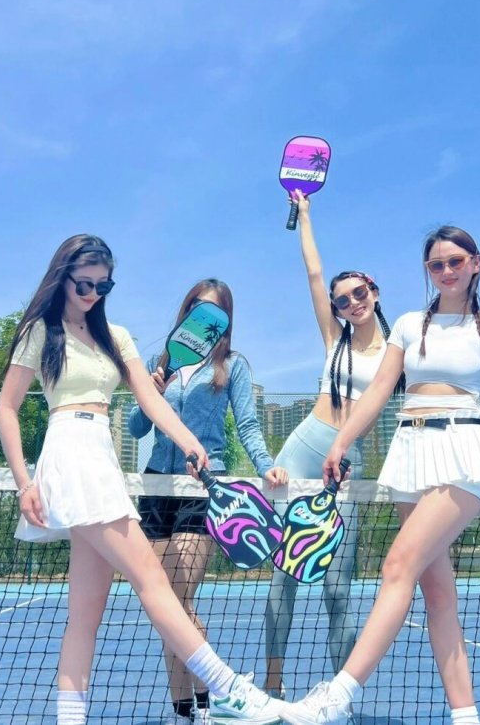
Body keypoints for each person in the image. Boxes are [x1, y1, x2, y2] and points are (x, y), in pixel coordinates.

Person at [279, 225, 480, 725]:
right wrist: (340, 441)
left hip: (464, 448)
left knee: (397, 564)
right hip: (410, 451)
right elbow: (380, 390)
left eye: (454, 261)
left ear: (475, 263)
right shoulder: (407, 324)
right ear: (427, 272)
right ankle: (465, 715)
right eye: (435, 264)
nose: (445, 270)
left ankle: (337, 694)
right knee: (437, 593)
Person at [0, 236, 282, 725]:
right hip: (68, 450)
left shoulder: (117, 337)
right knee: (151, 578)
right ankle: (230, 689)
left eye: (102, 284)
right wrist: (25, 483)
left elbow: (148, 404)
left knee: (86, 614)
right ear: (62, 275)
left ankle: (71, 718)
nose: (92, 291)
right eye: (84, 281)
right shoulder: (39, 335)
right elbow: (7, 409)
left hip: (101, 455)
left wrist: (189, 441)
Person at [127, 278, 289, 725]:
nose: (205, 317)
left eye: (215, 312)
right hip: (158, 487)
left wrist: (266, 465)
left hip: (204, 486)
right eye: (198, 307)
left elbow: (249, 426)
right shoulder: (158, 364)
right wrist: (151, 392)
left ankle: (217, 696)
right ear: (186, 311)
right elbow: (135, 429)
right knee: (163, 604)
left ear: (225, 322)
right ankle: (188, 708)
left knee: (177, 598)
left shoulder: (232, 366)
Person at [264, 191, 403, 699]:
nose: (351, 302)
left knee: (337, 588)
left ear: (376, 291)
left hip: (349, 463)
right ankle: (273, 688)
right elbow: (314, 274)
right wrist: (305, 217)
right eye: (343, 300)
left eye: (359, 293)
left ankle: (338, 696)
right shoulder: (334, 341)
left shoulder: (398, 351)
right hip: (302, 450)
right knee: (284, 581)